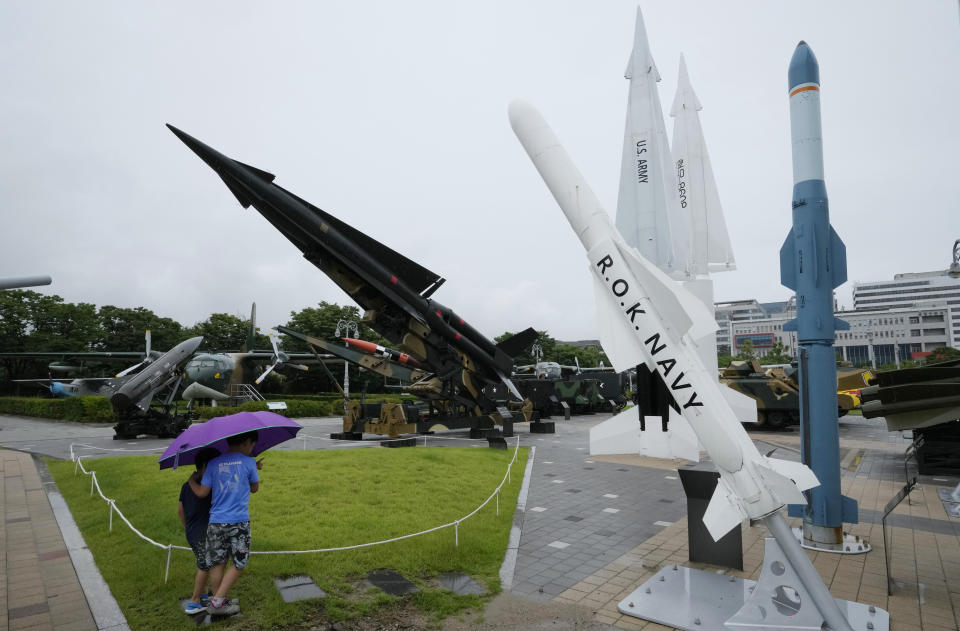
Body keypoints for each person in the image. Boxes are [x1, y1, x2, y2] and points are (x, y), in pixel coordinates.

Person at [190, 431, 262, 617]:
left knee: (217, 562)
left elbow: (203, 493)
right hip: (238, 522)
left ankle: (219, 600)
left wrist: (191, 480)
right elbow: (254, 489)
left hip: (215, 522)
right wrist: (253, 469)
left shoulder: (214, 463)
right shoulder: (249, 462)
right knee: (239, 563)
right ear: (247, 442)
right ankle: (217, 602)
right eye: (252, 445)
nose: (252, 449)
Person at [178, 448, 219, 615]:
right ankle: (194, 602)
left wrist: (187, 527)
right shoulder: (208, 487)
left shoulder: (186, 485)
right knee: (205, 564)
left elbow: (180, 510)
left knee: (204, 561)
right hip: (202, 532)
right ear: (205, 466)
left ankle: (204, 594)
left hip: (192, 531)